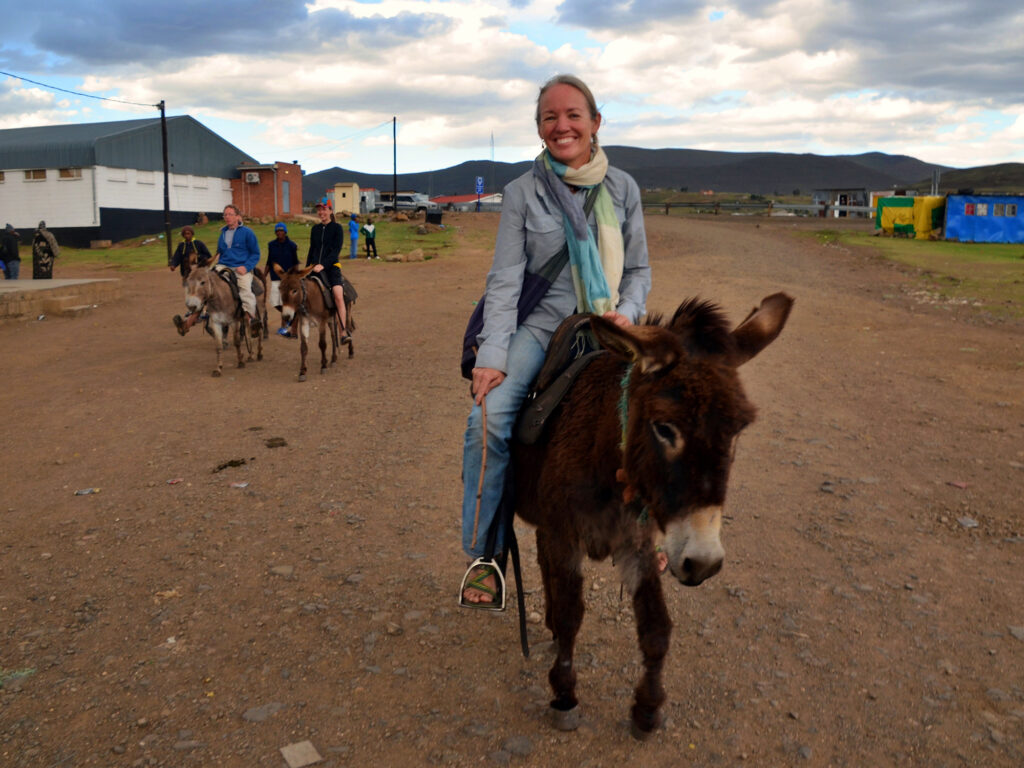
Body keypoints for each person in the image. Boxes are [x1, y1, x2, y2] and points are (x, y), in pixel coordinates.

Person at [459, 74, 651, 608]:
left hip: (608, 328)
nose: (561, 125)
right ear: (540, 128)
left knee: (659, 414)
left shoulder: (623, 189)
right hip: (541, 330)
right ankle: (485, 554)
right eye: (550, 117)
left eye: (573, 115)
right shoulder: (522, 192)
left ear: (594, 123)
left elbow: (638, 271)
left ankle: (643, 530)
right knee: (487, 420)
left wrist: (628, 314)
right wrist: (492, 356)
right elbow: (504, 280)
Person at [214, 204, 261, 335]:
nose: (227, 217)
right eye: (225, 215)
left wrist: (246, 267)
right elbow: (220, 252)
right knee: (208, 283)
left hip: (241, 267)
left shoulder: (247, 232)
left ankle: (251, 319)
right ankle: (204, 312)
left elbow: (256, 254)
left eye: (230, 214)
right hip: (223, 265)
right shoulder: (222, 233)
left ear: (237, 217)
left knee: (245, 290)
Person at [306, 204, 350, 341]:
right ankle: (293, 327)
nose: (321, 212)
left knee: (338, 295)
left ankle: (343, 331)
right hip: (314, 267)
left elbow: (336, 251)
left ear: (330, 211)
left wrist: (323, 265)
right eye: (319, 210)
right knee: (299, 291)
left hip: (332, 267)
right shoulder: (315, 229)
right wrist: (307, 268)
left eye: (324, 209)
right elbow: (312, 249)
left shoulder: (337, 229)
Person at [169, 225, 214, 336]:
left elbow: (208, 256)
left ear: (192, 234)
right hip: (187, 276)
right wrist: (173, 265)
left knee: (200, 294)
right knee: (189, 294)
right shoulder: (181, 246)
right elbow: (176, 257)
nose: (187, 235)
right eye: (185, 234)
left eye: (189, 233)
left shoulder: (199, 244)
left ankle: (201, 313)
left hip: (199, 275)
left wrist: (199, 258)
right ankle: (192, 311)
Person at [265, 221, 299, 336]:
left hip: (288, 279)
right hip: (275, 277)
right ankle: (291, 317)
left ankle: (284, 326)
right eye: (277, 231)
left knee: (284, 301)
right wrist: (264, 275)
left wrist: (296, 277)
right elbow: (269, 262)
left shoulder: (292, 245)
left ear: (285, 232)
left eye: (281, 231)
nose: (279, 232)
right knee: (274, 302)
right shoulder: (271, 245)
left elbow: (295, 263)